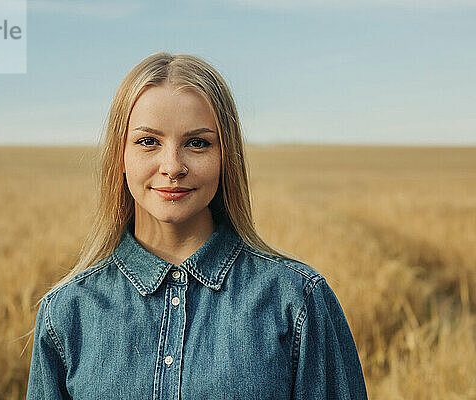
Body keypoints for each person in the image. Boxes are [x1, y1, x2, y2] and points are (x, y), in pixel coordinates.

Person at [26, 52, 368, 399]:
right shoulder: (67, 312)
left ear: (225, 157)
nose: (172, 166)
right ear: (120, 156)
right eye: (148, 142)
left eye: (197, 143)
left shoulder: (297, 301)